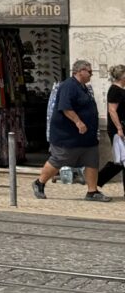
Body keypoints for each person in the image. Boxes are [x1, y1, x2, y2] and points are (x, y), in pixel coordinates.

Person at [32, 59, 111, 202]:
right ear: (79, 71)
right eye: (89, 71)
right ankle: (39, 182)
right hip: (67, 135)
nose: (91, 74)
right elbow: (65, 107)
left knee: (92, 160)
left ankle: (92, 192)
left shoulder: (83, 87)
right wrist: (78, 122)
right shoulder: (68, 86)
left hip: (86, 136)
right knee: (59, 159)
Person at [97, 64, 125, 192]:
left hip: (121, 129)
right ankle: (97, 179)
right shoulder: (114, 90)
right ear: (122, 76)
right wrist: (119, 128)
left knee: (121, 161)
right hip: (118, 130)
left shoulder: (121, 90)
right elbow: (112, 110)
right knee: (121, 160)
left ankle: (98, 179)